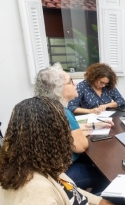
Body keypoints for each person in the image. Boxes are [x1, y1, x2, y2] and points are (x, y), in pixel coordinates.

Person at [35, 63, 113, 193]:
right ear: (58, 88)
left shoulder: (44, 106)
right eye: (70, 81)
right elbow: (81, 146)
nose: (75, 83)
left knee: (94, 164)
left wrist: (93, 126)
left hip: (44, 171)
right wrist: (86, 132)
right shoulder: (62, 112)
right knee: (106, 176)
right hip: (61, 173)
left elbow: (68, 133)